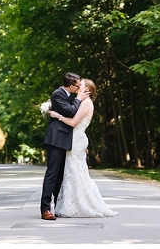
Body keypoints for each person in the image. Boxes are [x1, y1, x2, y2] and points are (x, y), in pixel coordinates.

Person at [49, 79, 117, 218]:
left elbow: (73, 122)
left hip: (76, 139)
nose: (77, 87)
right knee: (74, 171)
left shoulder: (86, 103)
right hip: (76, 138)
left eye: (81, 85)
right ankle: (71, 203)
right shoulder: (82, 102)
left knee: (75, 171)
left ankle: (81, 204)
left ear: (87, 90)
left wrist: (57, 116)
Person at [40, 72, 89, 220]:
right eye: (77, 85)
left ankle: (59, 206)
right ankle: (45, 209)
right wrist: (79, 99)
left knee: (61, 175)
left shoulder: (69, 95)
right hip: (56, 138)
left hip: (66, 139)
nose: (79, 87)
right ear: (70, 86)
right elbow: (70, 111)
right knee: (52, 173)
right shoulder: (58, 94)